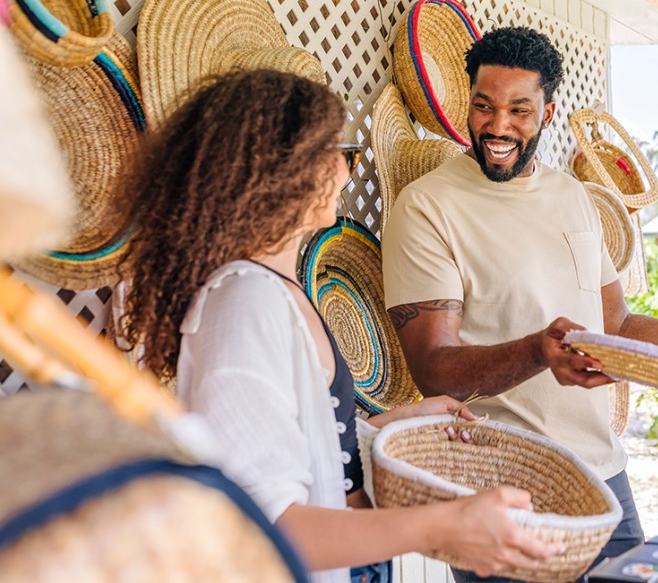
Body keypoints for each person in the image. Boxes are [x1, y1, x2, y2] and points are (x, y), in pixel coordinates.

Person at [118, 68, 563, 583]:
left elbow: (303, 447)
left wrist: (386, 425)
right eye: (336, 152)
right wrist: (443, 524)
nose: (347, 171)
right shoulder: (245, 305)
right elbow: (261, 525)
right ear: (277, 169)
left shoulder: (275, 292)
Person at [381, 26, 658, 582]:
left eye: (519, 110)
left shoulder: (573, 198)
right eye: (484, 107)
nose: (498, 126)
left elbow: (619, 325)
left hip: (604, 474)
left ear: (549, 111)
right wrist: (539, 351)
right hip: (502, 482)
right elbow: (433, 371)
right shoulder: (429, 208)